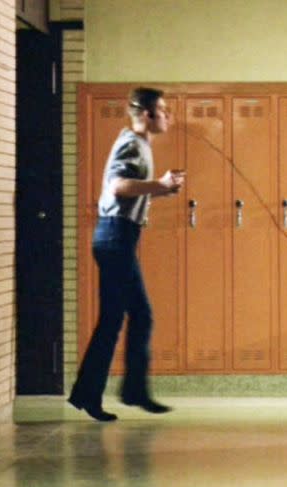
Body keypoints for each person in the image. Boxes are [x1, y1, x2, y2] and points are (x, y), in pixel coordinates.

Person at [68, 87, 184, 422]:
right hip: (115, 236)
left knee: (117, 318)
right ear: (146, 114)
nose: (168, 116)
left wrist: (160, 191)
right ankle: (127, 392)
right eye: (163, 110)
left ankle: (96, 394)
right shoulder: (132, 143)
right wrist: (158, 186)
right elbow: (117, 186)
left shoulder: (138, 143)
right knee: (134, 316)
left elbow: (127, 191)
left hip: (118, 236)